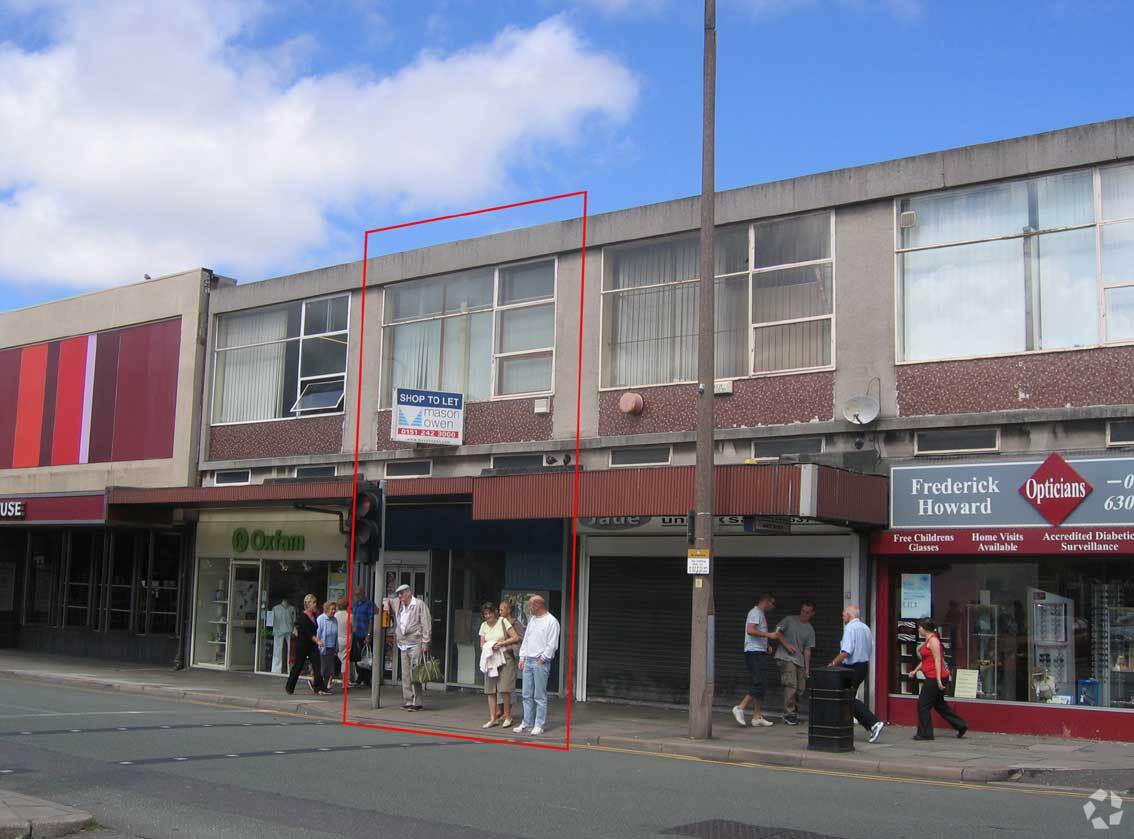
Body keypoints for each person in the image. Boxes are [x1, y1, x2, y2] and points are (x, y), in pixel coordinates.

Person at [829, 604, 884, 743]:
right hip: (863, 666)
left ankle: (873, 723)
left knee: (846, 697)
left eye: (843, 614)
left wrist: (833, 663)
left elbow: (846, 651)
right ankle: (846, 728)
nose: (842, 616)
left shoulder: (850, 628)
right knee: (848, 698)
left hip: (852, 667)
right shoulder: (865, 628)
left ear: (848, 615)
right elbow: (870, 648)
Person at [732, 593, 785, 728]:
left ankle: (757, 717)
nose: (773, 607)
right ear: (766, 601)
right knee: (759, 682)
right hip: (754, 652)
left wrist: (766, 645)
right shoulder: (755, 613)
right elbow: (750, 630)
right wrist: (770, 635)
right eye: (772, 603)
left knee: (761, 683)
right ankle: (740, 707)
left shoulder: (760, 614)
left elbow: (756, 632)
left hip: (759, 651)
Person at [910, 619, 968, 740]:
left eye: (920, 627)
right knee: (940, 705)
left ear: (925, 628)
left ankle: (925, 733)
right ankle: (961, 725)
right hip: (933, 676)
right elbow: (926, 660)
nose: (918, 629)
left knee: (923, 705)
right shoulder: (928, 640)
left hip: (935, 678)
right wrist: (915, 670)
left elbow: (938, 661)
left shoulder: (934, 641)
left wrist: (938, 680)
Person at [513, 595, 559, 736]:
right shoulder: (532, 620)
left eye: (530, 605)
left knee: (539, 695)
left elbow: (552, 644)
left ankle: (539, 724)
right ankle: (527, 722)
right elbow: (526, 639)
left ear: (538, 605)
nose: (529, 608)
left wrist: (543, 658)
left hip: (540, 661)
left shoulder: (552, 621)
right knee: (526, 694)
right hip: (528, 660)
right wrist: (522, 657)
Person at [383, 583, 431, 711]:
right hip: (403, 643)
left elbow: (426, 623)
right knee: (405, 674)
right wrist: (387, 604)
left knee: (415, 673)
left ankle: (418, 702)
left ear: (409, 593)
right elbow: (385, 599)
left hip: (416, 643)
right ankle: (408, 700)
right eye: (398, 594)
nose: (399, 596)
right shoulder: (398, 603)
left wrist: (425, 642)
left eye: (402, 593)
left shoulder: (419, 604)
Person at [478, 601, 520, 729]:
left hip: (504, 657)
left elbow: (515, 637)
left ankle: (507, 716)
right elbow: (482, 643)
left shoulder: (503, 621)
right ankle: (493, 718)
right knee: (490, 690)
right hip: (491, 658)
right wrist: (488, 647)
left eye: (489, 613)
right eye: (485, 614)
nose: (487, 616)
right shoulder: (483, 625)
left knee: (504, 688)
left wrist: (502, 643)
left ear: (494, 612)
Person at [773, 600, 816, 726]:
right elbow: (777, 632)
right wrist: (786, 644)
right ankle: (788, 714)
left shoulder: (810, 630)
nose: (804, 614)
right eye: (803, 611)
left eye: (807, 612)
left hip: (799, 660)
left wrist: (807, 669)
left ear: (812, 613)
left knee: (800, 688)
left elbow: (807, 650)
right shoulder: (789, 620)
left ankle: (793, 710)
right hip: (785, 657)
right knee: (791, 684)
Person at [286, 594, 328, 696]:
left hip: (312, 646)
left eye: (315, 603)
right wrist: (318, 641)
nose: (315, 605)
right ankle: (289, 687)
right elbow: (309, 633)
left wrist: (316, 641)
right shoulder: (303, 617)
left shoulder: (314, 616)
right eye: (313, 603)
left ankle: (319, 688)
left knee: (317, 665)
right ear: (307, 604)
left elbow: (315, 630)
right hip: (303, 644)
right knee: (298, 665)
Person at [497, 597, 525, 715]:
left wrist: (508, 646)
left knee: (508, 685)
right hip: (498, 657)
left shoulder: (515, 623)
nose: (499, 612)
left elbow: (521, 638)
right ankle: (499, 710)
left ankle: (507, 712)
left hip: (510, 656)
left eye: (501, 609)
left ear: (508, 610)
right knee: (498, 684)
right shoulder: (499, 622)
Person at [351, 591, 376, 688]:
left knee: (366, 657)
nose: (357, 596)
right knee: (358, 657)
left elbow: (371, 619)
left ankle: (367, 679)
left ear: (362, 594)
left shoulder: (368, 604)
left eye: (358, 594)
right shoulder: (356, 604)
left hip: (365, 634)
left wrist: (369, 634)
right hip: (356, 634)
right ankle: (359, 678)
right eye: (355, 595)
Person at [316, 600, 339, 690]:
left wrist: (336, 647)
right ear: (327, 609)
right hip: (323, 648)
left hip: (331, 647)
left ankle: (324, 687)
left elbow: (336, 634)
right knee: (323, 669)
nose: (334, 611)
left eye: (335, 609)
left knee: (330, 670)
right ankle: (319, 686)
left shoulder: (335, 620)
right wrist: (318, 644)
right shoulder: (321, 619)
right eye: (332, 609)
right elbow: (318, 634)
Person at [271, 598, 296, 674]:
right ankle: (276, 669)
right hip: (278, 632)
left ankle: (290, 669)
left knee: (291, 652)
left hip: (289, 631)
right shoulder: (275, 608)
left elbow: (294, 621)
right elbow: (271, 620)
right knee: (277, 651)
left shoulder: (292, 608)